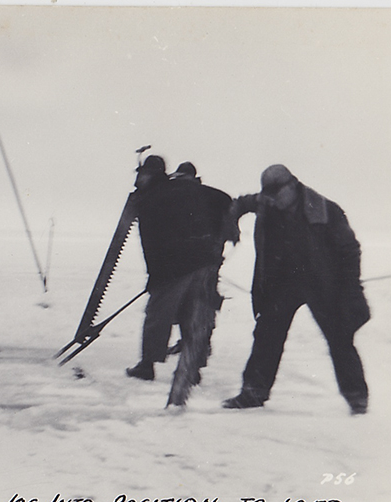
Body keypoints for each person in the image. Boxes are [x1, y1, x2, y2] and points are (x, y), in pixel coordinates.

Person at [223, 164, 369, 414]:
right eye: (268, 195)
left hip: (321, 284)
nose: (272, 201)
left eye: (276, 194)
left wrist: (350, 286)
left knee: (340, 338)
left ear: (292, 186)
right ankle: (253, 392)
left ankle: (356, 396)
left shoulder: (324, 210)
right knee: (267, 335)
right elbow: (240, 203)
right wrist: (230, 221)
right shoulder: (268, 202)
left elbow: (349, 249)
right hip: (282, 282)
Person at [126, 154, 235, 407]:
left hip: (173, 267)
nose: (137, 179)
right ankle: (193, 368)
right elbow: (221, 199)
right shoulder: (181, 189)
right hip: (201, 262)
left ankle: (146, 365)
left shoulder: (155, 196)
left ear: (149, 175)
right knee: (191, 316)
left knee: (157, 315)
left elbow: (153, 241)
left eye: (140, 175)